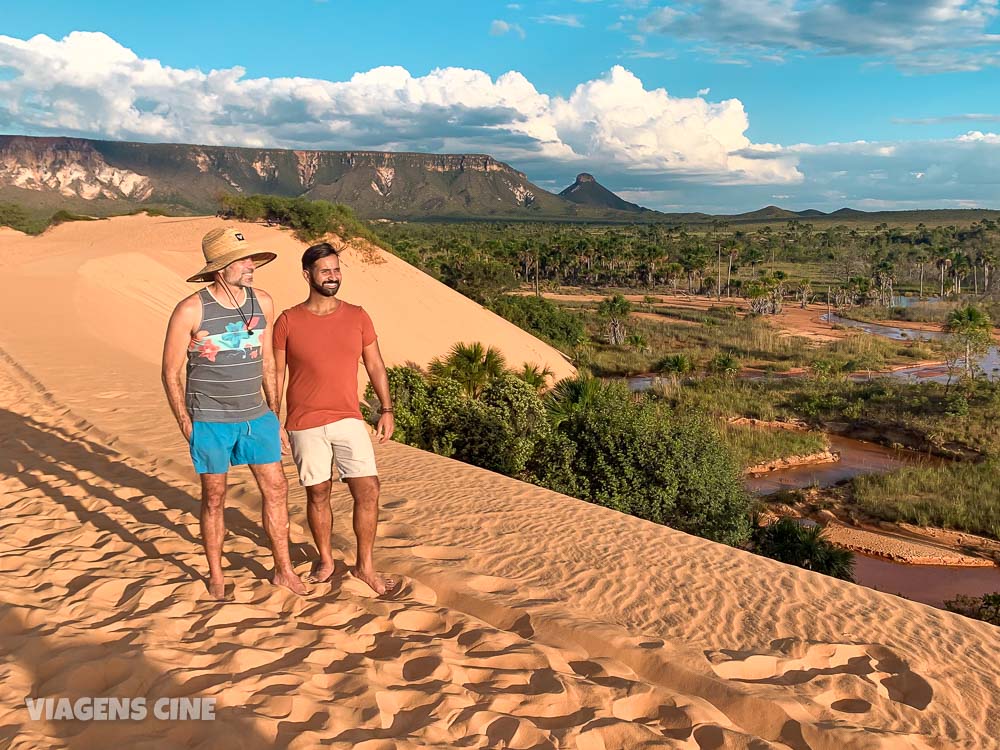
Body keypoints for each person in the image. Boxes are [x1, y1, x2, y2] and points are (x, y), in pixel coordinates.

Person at [161, 227, 306, 600]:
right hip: (210, 420)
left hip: (256, 416)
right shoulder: (191, 309)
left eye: (249, 259)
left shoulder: (264, 302)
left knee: (277, 488)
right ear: (219, 268)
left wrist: (275, 418)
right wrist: (185, 422)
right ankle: (216, 574)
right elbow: (170, 371)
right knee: (214, 496)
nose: (250, 266)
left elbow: (269, 365)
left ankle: (284, 570)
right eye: (241, 261)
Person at [273, 241, 396, 595]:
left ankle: (365, 566)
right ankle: (326, 559)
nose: (332, 276)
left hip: (348, 418)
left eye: (336, 270)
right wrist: (274, 419)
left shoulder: (357, 315)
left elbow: (375, 364)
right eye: (325, 270)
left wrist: (386, 409)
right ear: (307, 274)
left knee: (368, 489)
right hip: (303, 421)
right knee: (318, 492)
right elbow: (276, 373)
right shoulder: (288, 320)